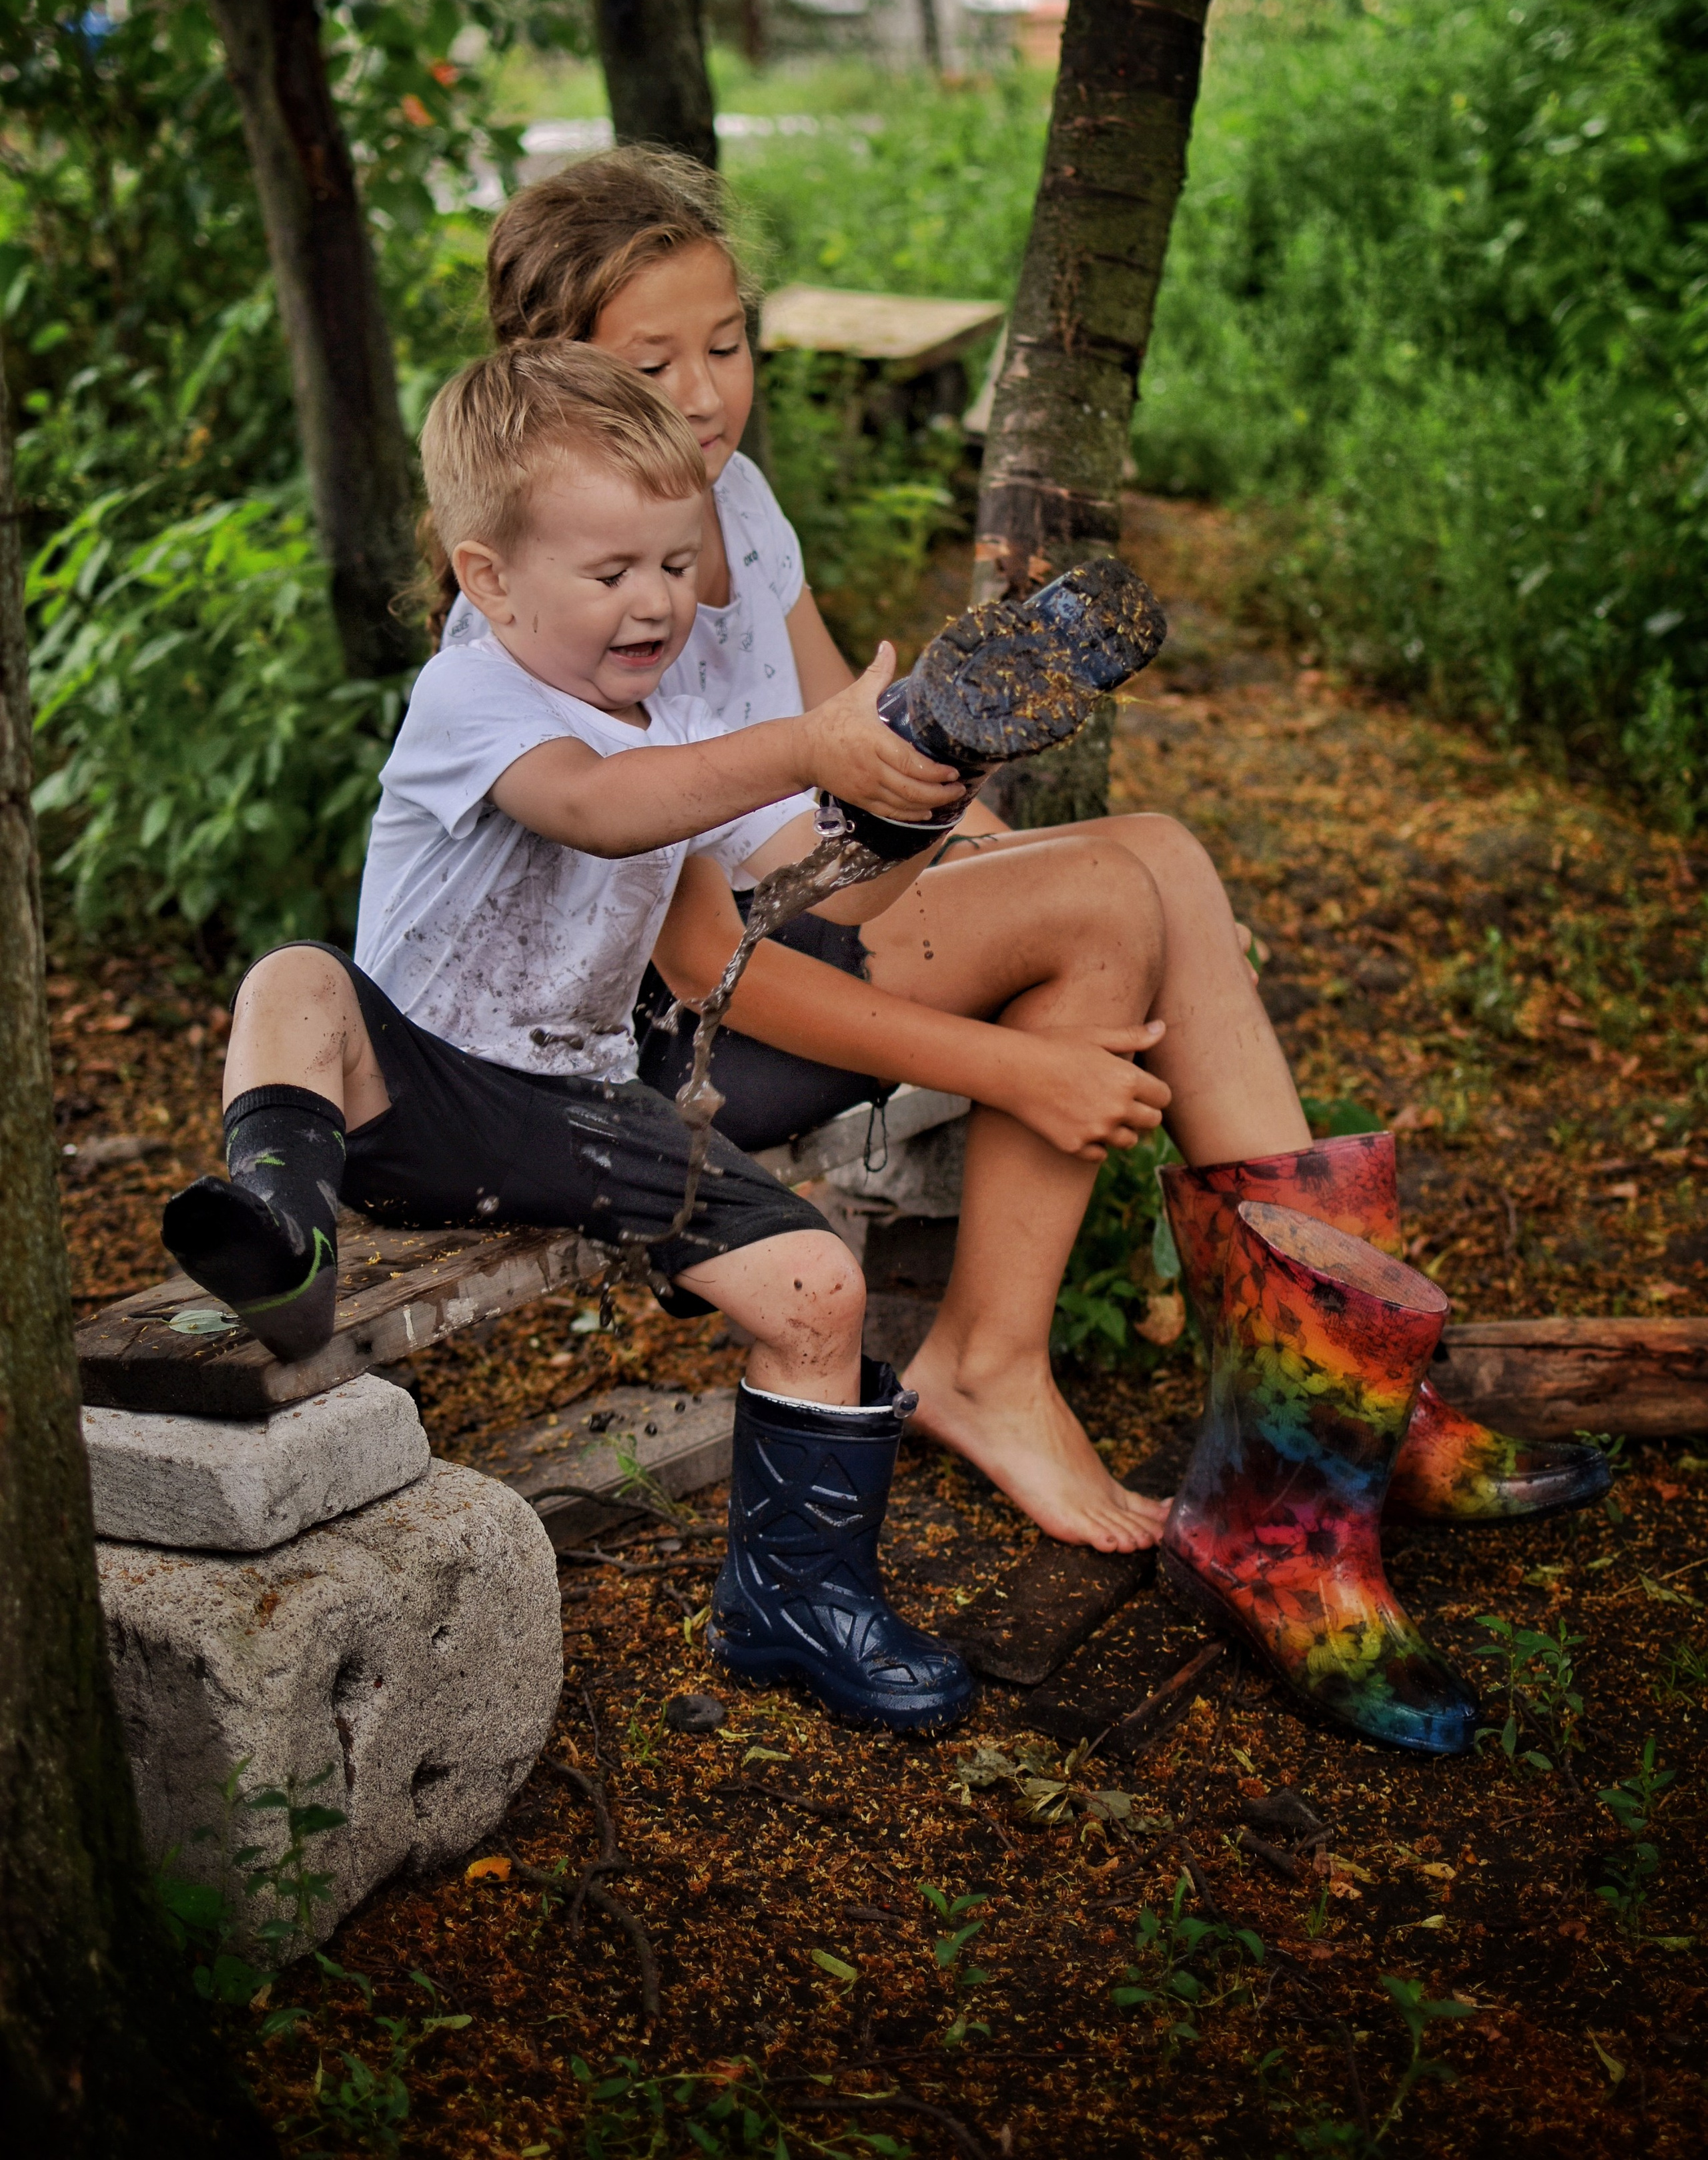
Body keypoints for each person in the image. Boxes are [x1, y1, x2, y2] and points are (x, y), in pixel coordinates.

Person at [432, 148, 1607, 1580]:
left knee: (1153, 856)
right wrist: (1013, 1055)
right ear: (559, 388)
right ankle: (1006, 1371)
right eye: (654, 362)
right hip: (666, 1040)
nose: (704, 393)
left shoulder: (730, 510)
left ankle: (1328, 1399)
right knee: (1104, 899)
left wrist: (965, 816)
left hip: (792, 930)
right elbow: (699, 962)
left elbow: (842, 778)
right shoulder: (569, 610)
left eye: (728, 343)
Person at [155, 342, 1170, 1730]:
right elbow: (599, 806)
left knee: (815, 1286)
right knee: (293, 978)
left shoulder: (674, 718)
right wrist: (804, 741)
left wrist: (922, 771)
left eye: (677, 566)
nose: (655, 602)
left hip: (578, 1098)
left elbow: (813, 885)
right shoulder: (476, 702)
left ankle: (795, 1598)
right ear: (487, 579)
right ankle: (282, 1227)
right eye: (611, 572)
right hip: (406, 1079)